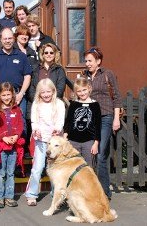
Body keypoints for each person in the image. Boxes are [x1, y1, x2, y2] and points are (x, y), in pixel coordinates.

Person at [83, 47, 121, 200]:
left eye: (90, 61)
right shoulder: (84, 76)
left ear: (98, 61)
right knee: (89, 155)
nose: (87, 64)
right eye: (86, 61)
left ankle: (105, 193)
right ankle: (91, 191)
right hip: (90, 119)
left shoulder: (107, 74)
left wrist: (116, 118)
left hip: (105, 117)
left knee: (100, 155)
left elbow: (117, 96)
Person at [24, 78, 65, 206]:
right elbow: (34, 121)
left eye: (48, 92)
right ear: (39, 93)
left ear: (53, 91)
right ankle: (31, 194)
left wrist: (58, 129)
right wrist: (35, 130)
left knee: (56, 168)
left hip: (55, 142)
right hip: (41, 141)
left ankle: (57, 194)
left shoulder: (59, 103)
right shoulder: (36, 104)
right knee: (38, 167)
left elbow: (60, 120)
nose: (46, 95)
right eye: (43, 92)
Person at [0, 28, 32, 138]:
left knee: (20, 123)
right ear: (1, 40)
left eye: (10, 38)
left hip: (18, 95)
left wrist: (21, 93)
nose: (7, 41)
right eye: (5, 38)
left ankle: (20, 152)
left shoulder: (21, 56)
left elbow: (27, 76)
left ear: (14, 39)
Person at [0, 82, 23, 208]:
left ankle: (9, 196)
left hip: (13, 147)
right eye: (3, 95)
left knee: (10, 172)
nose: (6, 97)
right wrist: (3, 137)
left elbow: (20, 125)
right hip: (1, 147)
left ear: (12, 95)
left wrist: (16, 136)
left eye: (8, 94)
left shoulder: (17, 109)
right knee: (1, 173)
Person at [64, 77, 101, 167]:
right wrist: (65, 138)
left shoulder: (95, 105)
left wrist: (96, 143)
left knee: (88, 168)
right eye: (79, 91)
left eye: (84, 90)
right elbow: (68, 121)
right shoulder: (73, 104)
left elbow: (98, 125)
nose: (82, 93)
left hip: (88, 142)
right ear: (76, 92)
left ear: (89, 88)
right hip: (73, 141)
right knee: (73, 167)